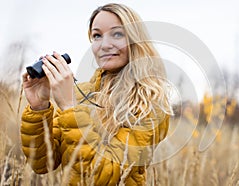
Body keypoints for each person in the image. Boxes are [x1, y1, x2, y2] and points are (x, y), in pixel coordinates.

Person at [20, 3, 172, 185]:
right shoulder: (81, 93)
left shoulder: (149, 101)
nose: (105, 45)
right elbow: (43, 164)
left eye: (117, 34)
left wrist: (69, 108)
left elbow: (103, 175)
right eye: (97, 36)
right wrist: (39, 107)